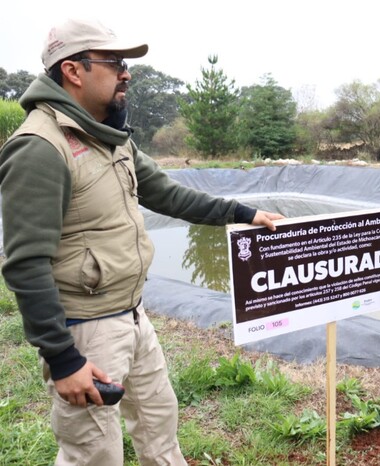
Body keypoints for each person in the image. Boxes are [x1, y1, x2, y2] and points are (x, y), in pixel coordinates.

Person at [0, 18, 284, 465]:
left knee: (159, 428)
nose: (126, 73)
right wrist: (63, 359)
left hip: (133, 316)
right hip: (84, 330)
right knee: (94, 454)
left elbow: (167, 193)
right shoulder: (40, 146)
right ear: (74, 71)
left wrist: (243, 213)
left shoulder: (110, 138)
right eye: (114, 63)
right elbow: (25, 263)